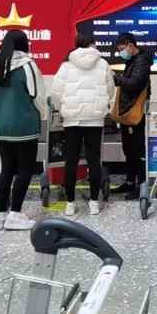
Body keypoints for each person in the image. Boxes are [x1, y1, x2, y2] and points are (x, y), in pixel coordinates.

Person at [51, 34, 114, 216]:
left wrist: (63, 108)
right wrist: (101, 105)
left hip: (72, 119)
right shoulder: (103, 64)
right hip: (95, 119)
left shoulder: (66, 65)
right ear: (92, 44)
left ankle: (70, 204)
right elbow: (110, 90)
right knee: (94, 161)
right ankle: (94, 203)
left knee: (70, 160)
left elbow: (56, 92)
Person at [0, 29, 45, 231]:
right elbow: (37, 95)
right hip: (24, 126)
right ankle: (15, 213)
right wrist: (43, 115)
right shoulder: (27, 65)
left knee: (6, 169)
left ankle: (0, 216)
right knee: (24, 170)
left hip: (0, 126)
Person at [111, 33, 153, 198]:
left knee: (137, 149)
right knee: (128, 149)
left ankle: (141, 185)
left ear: (130, 45)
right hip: (128, 110)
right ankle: (130, 182)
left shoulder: (142, 61)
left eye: (122, 49)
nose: (121, 53)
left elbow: (135, 83)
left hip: (136, 111)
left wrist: (116, 79)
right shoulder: (132, 61)